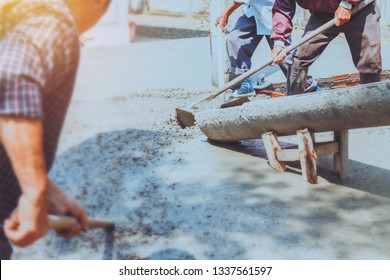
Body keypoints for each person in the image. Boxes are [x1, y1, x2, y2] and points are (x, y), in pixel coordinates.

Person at [0, 0, 111, 260]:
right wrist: (34, 193)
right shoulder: (54, 19)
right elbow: (11, 78)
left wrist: (50, 194)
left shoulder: (18, 19)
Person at [271, 0, 382, 95]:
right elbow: (282, 7)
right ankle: (293, 104)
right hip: (323, 13)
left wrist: (346, 4)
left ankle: (371, 104)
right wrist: (279, 42)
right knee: (300, 57)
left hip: (360, 9)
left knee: (370, 61)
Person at [215, 0, 320, 100]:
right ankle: (244, 83)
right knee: (234, 39)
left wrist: (227, 13)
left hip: (276, 13)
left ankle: (309, 86)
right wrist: (226, 13)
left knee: (284, 56)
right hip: (255, 12)